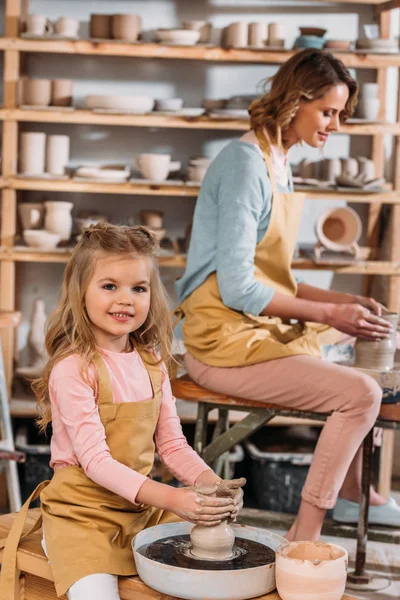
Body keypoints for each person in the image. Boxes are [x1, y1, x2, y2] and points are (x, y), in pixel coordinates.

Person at [175, 48, 400, 541]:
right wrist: (328, 311)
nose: (335, 125)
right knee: (361, 393)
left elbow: (273, 276)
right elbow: (238, 287)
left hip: (249, 329)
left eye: (340, 114)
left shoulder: (277, 161)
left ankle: (356, 489)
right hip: (219, 340)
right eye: (328, 112)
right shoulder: (244, 164)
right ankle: (306, 534)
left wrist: (347, 305)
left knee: (366, 364)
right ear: (295, 101)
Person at [0, 223, 244, 600]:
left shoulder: (152, 363)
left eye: (139, 288)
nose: (125, 299)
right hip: (81, 518)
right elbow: (96, 462)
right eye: (109, 286)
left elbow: (173, 445)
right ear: (81, 292)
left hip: (139, 512)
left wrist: (212, 486)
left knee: (213, 567)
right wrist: (175, 498)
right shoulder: (74, 369)